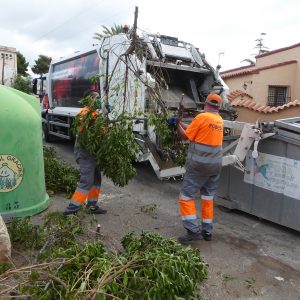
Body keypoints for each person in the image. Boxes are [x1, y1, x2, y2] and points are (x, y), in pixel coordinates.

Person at [175, 93, 224, 243]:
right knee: (208, 197)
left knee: (186, 196)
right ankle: (207, 231)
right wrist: (181, 123)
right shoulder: (219, 120)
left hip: (199, 166)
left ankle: (192, 230)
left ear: (205, 103)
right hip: (215, 166)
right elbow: (195, 130)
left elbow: (185, 137)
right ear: (218, 107)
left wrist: (176, 125)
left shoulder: (202, 117)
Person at [63, 89, 107, 216]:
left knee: (96, 179)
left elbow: (102, 132)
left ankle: (92, 205)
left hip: (93, 152)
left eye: (99, 97)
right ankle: (71, 210)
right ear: (89, 99)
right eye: (96, 98)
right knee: (86, 180)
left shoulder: (93, 113)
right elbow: (89, 131)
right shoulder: (85, 114)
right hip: (85, 152)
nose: (99, 100)